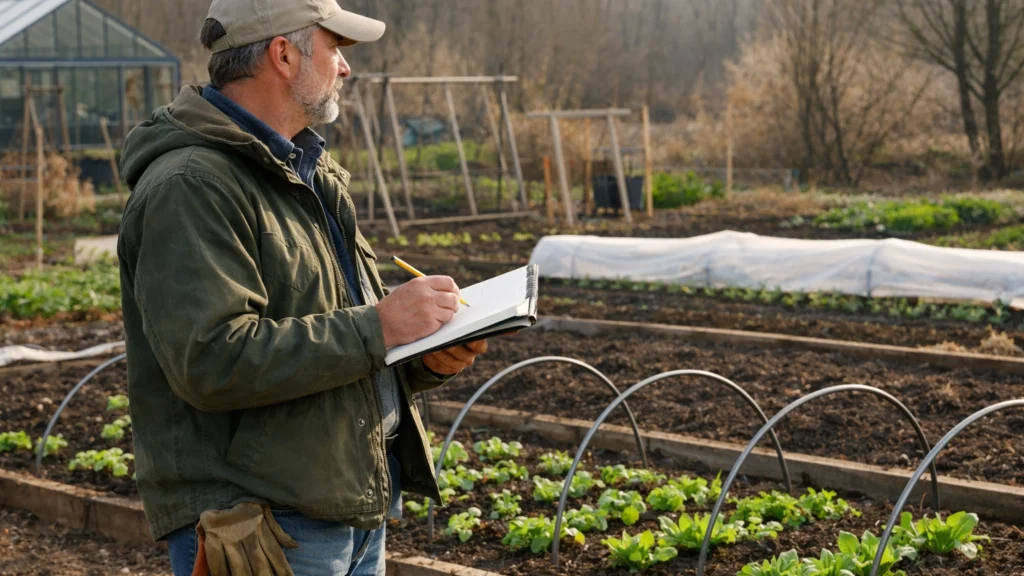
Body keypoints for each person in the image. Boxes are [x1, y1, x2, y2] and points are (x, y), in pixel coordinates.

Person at [116, 1, 488, 574]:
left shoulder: (306, 172)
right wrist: (381, 325)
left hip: (347, 510)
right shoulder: (193, 186)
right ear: (284, 55)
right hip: (264, 527)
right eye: (335, 48)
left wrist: (422, 356)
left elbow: (334, 340)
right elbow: (212, 359)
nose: (344, 68)